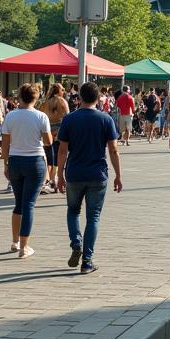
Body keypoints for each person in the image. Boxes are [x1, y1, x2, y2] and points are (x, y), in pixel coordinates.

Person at [56, 81, 122, 274]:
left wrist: (59, 175)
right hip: (98, 174)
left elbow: (62, 150)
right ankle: (87, 260)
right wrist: (118, 175)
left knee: (73, 211)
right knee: (93, 217)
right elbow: (113, 149)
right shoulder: (105, 119)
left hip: (75, 172)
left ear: (79, 98)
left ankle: (76, 242)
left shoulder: (69, 119)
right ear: (98, 97)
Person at [0, 84, 53, 259]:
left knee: (18, 203)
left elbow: (5, 143)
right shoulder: (41, 116)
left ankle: (15, 242)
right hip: (35, 161)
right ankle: (24, 246)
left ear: (19, 97)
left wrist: (6, 164)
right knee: (29, 204)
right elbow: (48, 142)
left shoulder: (11, 116)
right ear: (36, 98)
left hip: (15, 160)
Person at [41, 84, 70, 195]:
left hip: (47, 131)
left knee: (49, 157)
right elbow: (67, 116)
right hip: (59, 130)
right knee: (59, 157)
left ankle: (48, 181)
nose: (63, 91)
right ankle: (54, 180)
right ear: (59, 91)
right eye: (62, 89)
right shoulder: (62, 101)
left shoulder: (45, 102)